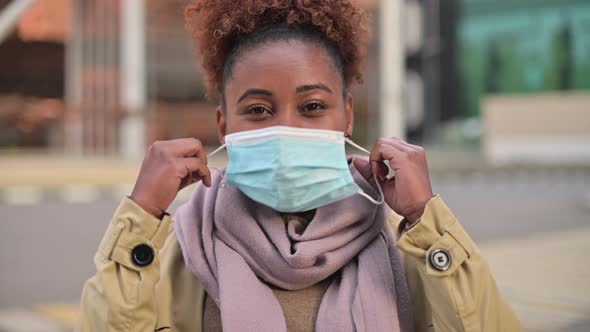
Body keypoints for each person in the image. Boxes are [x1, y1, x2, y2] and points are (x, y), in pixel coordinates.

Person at [76, 1, 522, 331]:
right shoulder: (176, 251)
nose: (286, 128)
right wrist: (140, 217)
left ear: (346, 115)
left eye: (311, 106)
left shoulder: (410, 248)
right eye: (257, 110)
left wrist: (426, 217)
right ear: (224, 123)